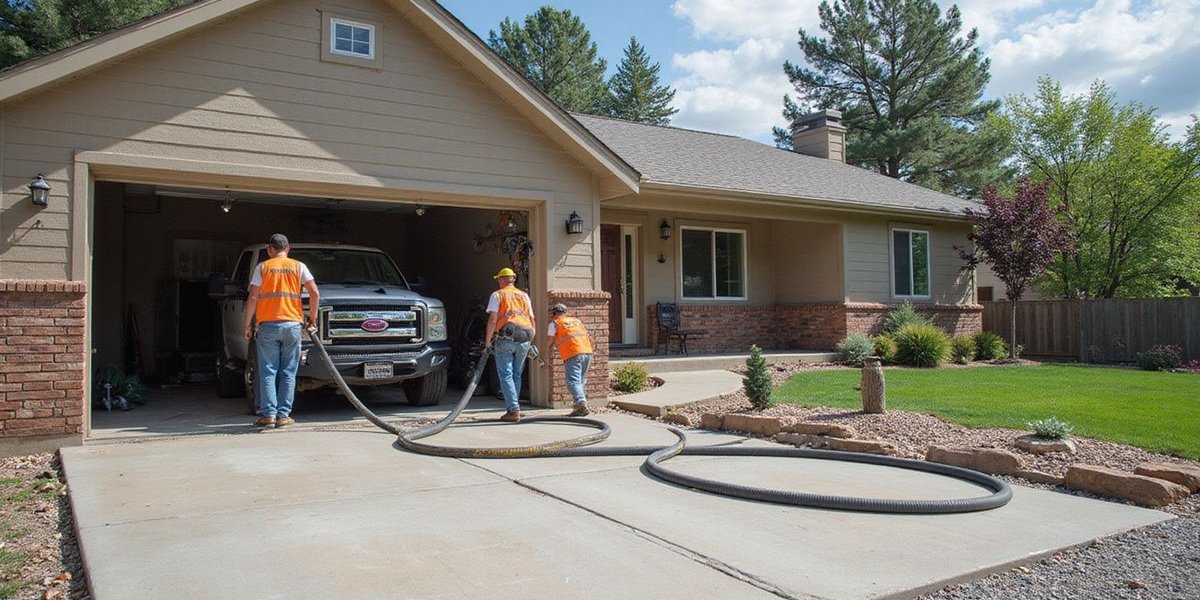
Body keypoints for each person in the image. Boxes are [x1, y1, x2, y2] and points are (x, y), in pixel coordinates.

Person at [243, 234, 320, 429]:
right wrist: (312, 318)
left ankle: (268, 414)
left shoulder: (262, 267)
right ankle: (283, 415)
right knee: (288, 372)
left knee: (268, 372)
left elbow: (253, 297)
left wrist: (247, 325)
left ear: (270, 250)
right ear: (288, 248)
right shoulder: (298, 266)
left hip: (268, 325)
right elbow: (314, 293)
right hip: (293, 325)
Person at [483, 267, 535, 422]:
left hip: (506, 338)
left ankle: (513, 410)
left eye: (498, 279)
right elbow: (532, 319)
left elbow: (493, 319)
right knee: (516, 374)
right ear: (512, 279)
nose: (498, 281)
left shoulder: (497, 295)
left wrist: (487, 343)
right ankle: (514, 406)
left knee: (506, 375)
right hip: (525, 338)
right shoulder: (524, 295)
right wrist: (531, 339)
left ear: (501, 280)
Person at [547, 303, 593, 417]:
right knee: (580, 381)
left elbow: (550, 340)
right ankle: (578, 408)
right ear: (566, 312)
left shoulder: (554, 323)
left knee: (572, 381)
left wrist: (545, 351)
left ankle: (581, 402)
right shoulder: (577, 321)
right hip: (587, 351)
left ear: (554, 314)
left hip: (572, 353)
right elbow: (587, 336)